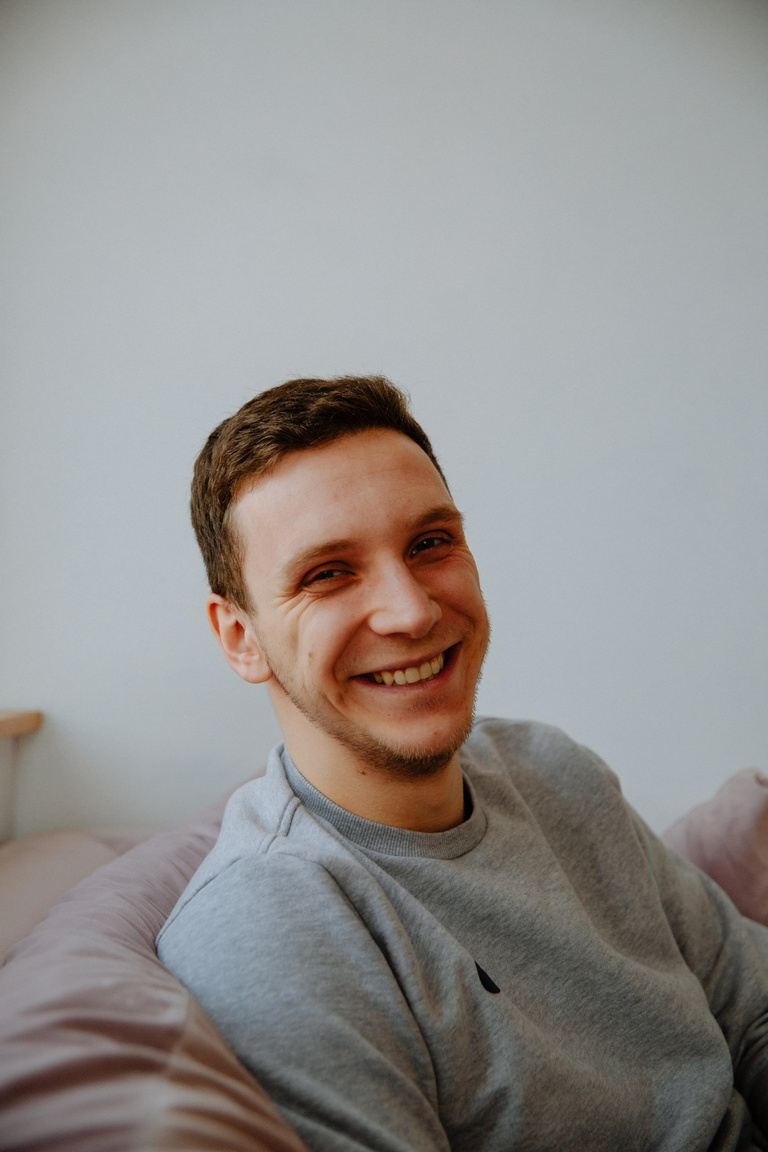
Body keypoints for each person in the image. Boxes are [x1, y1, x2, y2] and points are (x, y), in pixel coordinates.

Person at [157, 375, 768, 1151]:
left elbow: (753, 1010)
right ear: (239, 637)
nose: (411, 611)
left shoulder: (551, 767)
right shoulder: (271, 923)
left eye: (429, 543)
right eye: (327, 573)